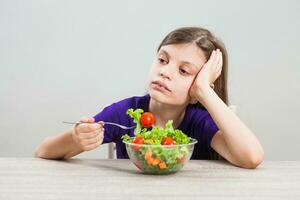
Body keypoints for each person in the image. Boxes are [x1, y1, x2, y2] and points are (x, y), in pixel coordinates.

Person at [35, 27, 264, 169]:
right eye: (163, 60)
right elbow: (43, 151)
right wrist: (77, 139)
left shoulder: (198, 120)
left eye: (184, 71)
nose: (165, 72)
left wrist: (204, 91)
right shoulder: (126, 113)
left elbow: (252, 157)